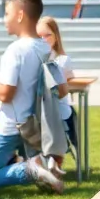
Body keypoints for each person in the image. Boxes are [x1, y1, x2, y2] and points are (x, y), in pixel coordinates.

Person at [0, 0, 62, 194]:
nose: (4, 19)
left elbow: (5, 94)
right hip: (34, 124)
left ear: (20, 15)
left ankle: (30, 169)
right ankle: (40, 166)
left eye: (7, 13)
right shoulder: (45, 48)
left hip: (10, 125)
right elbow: (60, 88)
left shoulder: (16, 50)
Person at [37, 16, 79, 152]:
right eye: (39, 36)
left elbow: (67, 82)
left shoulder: (62, 60)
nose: (44, 40)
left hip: (58, 113)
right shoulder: (31, 59)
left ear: (56, 36)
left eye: (47, 35)